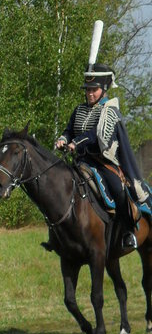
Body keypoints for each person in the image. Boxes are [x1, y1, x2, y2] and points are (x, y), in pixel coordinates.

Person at [55, 62, 149, 250]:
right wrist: (63, 139)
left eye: (94, 90)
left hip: (103, 162)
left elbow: (98, 136)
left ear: (104, 89)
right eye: (88, 90)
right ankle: (59, 235)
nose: (90, 94)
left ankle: (128, 232)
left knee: (118, 189)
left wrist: (76, 143)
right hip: (79, 161)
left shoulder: (110, 111)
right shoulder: (79, 109)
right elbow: (69, 129)